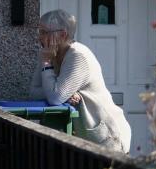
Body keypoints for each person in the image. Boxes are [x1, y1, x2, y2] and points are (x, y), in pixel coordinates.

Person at [30, 9, 131, 153]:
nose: (39, 37)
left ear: (62, 35)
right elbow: (33, 92)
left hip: (107, 140)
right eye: (39, 31)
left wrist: (47, 65)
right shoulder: (48, 54)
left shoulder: (78, 56)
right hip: (84, 143)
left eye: (44, 32)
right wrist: (63, 93)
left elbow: (55, 97)